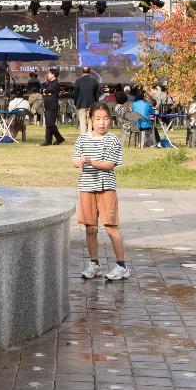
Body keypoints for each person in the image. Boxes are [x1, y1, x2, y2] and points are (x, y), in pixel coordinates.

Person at [72, 103, 129, 281]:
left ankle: (121, 266)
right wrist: (79, 162)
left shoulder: (113, 140)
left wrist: (89, 161)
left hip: (106, 188)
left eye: (105, 118)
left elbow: (109, 165)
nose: (102, 123)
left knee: (111, 227)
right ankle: (94, 264)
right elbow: (75, 160)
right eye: (98, 119)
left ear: (110, 120)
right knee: (90, 228)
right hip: (86, 187)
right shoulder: (82, 139)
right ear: (91, 120)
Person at [40, 69, 65, 146]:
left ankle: (59, 138)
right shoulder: (49, 83)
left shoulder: (55, 83)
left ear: (53, 75)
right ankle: (48, 140)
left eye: (49, 73)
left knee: (50, 124)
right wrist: (46, 92)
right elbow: (43, 91)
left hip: (52, 106)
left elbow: (46, 91)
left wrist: (46, 92)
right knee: (48, 123)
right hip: (48, 105)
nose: (48, 75)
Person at [74, 67, 101, 133]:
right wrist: (97, 104)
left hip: (81, 104)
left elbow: (75, 94)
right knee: (91, 122)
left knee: (82, 122)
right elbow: (97, 94)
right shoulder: (94, 81)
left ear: (81, 71)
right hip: (92, 104)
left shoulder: (78, 81)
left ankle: (83, 137)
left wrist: (76, 103)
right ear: (90, 72)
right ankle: (90, 136)